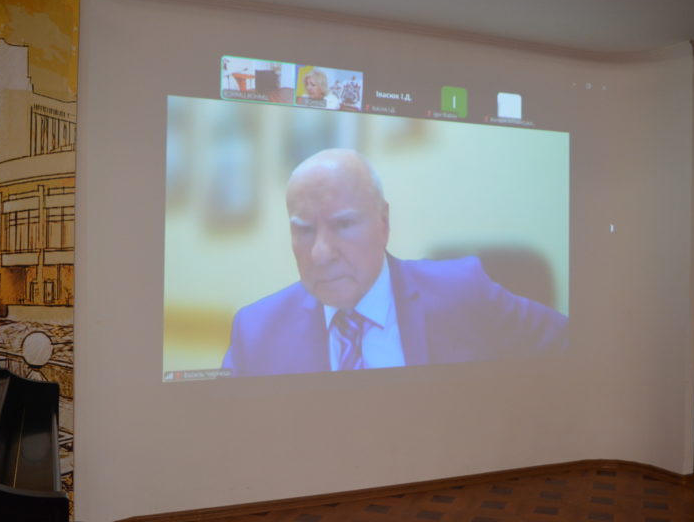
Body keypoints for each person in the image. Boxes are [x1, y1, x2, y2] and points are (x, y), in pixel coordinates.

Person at [222, 148, 567, 377]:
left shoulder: (464, 293)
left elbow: (575, 351)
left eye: (343, 224)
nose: (320, 253)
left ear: (383, 222)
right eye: (305, 230)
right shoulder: (256, 331)